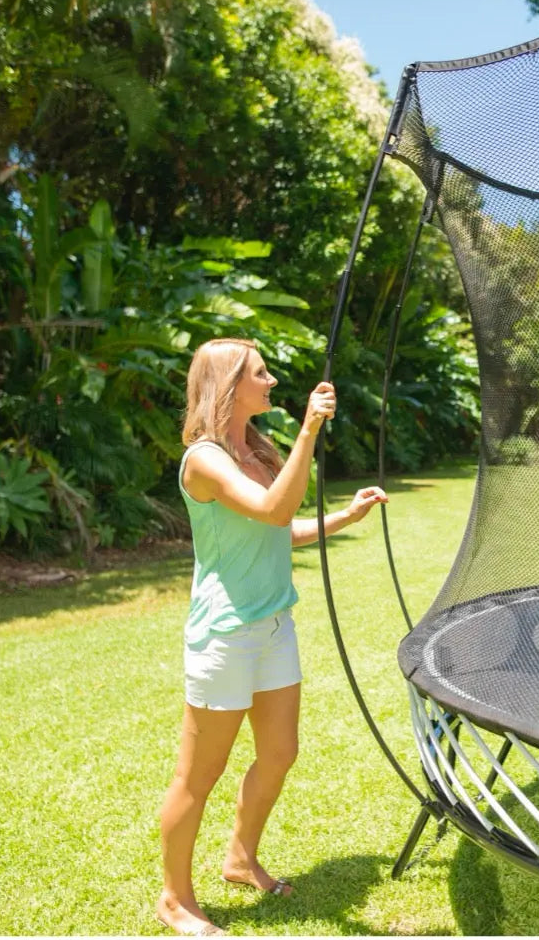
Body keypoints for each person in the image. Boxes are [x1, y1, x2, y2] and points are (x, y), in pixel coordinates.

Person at [156, 337, 388, 937]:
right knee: (197, 776)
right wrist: (310, 431)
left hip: (274, 626)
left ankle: (239, 858)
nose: (273, 382)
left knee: (280, 753)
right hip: (226, 636)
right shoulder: (205, 459)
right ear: (229, 385)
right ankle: (176, 899)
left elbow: (276, 533)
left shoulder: (255, 449)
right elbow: (272, 511)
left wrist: (344, 517)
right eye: (261, 374)